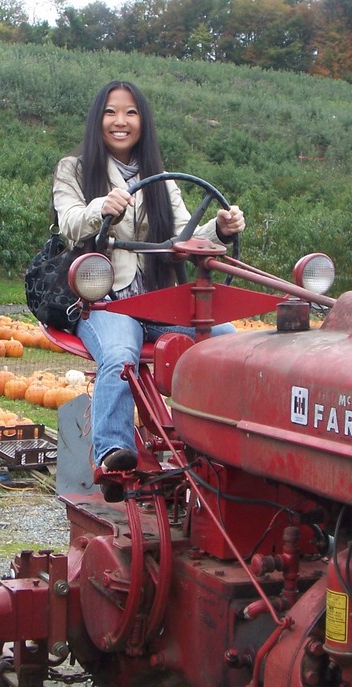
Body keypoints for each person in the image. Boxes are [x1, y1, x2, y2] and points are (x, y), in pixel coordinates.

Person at [52, 79, 245, 499]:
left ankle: (224, 447)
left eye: (131, 112)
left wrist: (220, 230)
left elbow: (182, 236)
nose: (120, 121)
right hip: (105, 302)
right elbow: (68, 224)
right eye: (111, 112)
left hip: (158, 301)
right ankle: (114, 452)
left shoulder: (159, 178)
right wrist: (98, 208)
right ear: (97, 119)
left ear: (143, 121)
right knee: (120, 354)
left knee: (227, 348)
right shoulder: (74, 169)